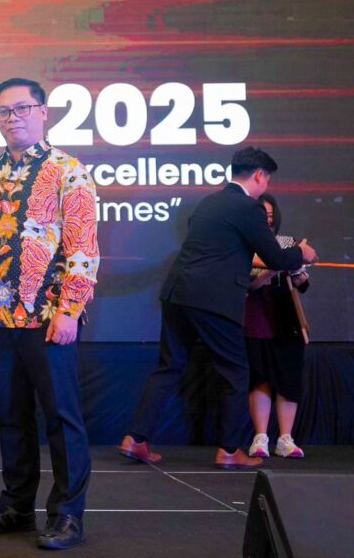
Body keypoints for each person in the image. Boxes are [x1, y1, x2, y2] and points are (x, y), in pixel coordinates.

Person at [0, 77, 99, 551]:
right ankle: (16, 506)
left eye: (22, 109)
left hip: (48, 318)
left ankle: (68, 515)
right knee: (10, 418)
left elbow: (83, 248)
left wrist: (70, 309)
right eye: (4, 111)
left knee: (61, 418)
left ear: (43, 112)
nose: (12, 118)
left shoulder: (68, 171)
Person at [120, 147, 317, 470]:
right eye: (267, 179)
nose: (266, 186)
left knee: (169, 367)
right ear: (259, 175)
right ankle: (228, 451)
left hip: (177, 293)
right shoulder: (249, 208)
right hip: (213, 299)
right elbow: (276, 258)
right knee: (236, 372)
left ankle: (136, 439)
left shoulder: (209, 203)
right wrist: (302, 254)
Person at [244, 194, 310, 459]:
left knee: (288, 378)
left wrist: (298, 269)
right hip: (256, 318)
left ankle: (286, 439)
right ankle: (260, 437)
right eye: (263, 216)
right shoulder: (244, 247)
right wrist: (273, 268)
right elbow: (249, 286)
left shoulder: (290, 244)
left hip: (287, 319)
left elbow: (303, 284)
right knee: (260, 377)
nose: (268, 220)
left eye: (270, 216)